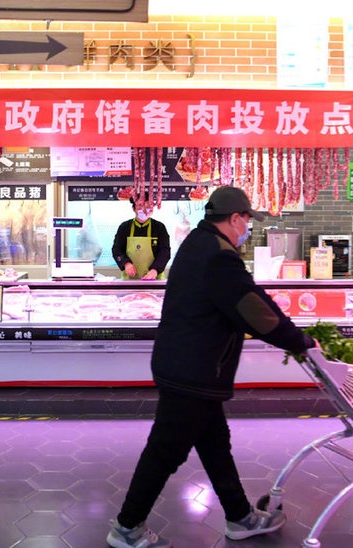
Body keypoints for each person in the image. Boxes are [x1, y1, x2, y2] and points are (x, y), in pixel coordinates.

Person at [107, 185, 317, 548]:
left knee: (216, 445)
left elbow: (246, 300)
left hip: (187, 365)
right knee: (165, 451)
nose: (247, 228)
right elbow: (255, 309)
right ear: (235, 218)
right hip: (194, 370)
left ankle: (240, 517)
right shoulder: (220, 256)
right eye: (247, 221)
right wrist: (301, 342)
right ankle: (127, 528)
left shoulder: (197, 242)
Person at [111, 195, 171, 280]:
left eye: (147, 207)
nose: (144, 210)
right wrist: (126, 263)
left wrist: (155, 269)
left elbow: (165, 252)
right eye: (140, 206)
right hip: (129, 279)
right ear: (133, 208)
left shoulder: (159, 227)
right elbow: (117, 250)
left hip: (154, 278)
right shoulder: (124, 227)